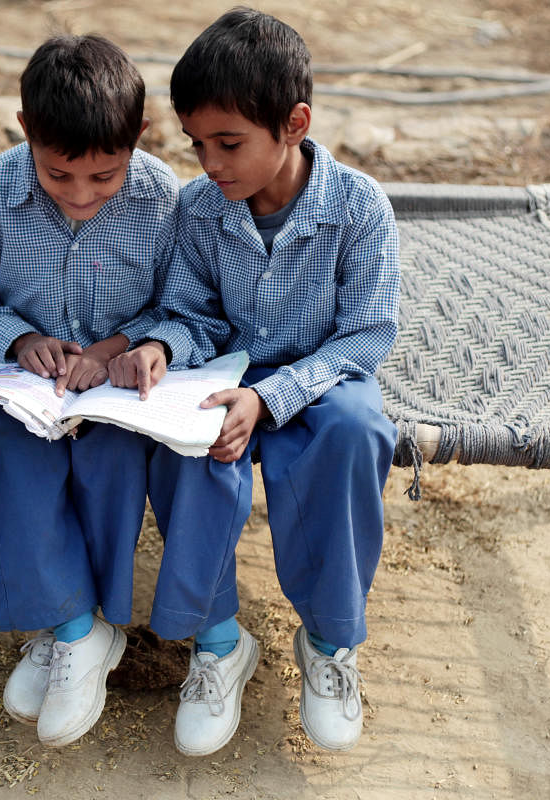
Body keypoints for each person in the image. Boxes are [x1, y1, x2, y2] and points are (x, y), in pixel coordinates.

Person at [112, 7, 400, 753]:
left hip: (321, 378)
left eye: (229, 143)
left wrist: (271, 397)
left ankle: (331, 644)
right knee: (189, 450)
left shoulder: (359, 208)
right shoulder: (200, 211)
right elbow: (189, 312)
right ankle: (217, 643)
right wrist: (162, 348)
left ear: (295, 123)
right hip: (225, 372)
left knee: (356, 432)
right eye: (197, 144)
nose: (209, 163)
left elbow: (366, 336)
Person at [0, 34, 187, 748]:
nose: (81, 195)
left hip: (119, 387)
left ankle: (87, 618)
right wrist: (17, 339)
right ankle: (73, 629)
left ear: (138, 136)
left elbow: (183, 303)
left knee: (109, 463)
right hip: (25, 385)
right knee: (1, 456)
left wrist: (115, 351)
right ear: (26, 132)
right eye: (58, 174)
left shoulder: (165, 198)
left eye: (104, 177)